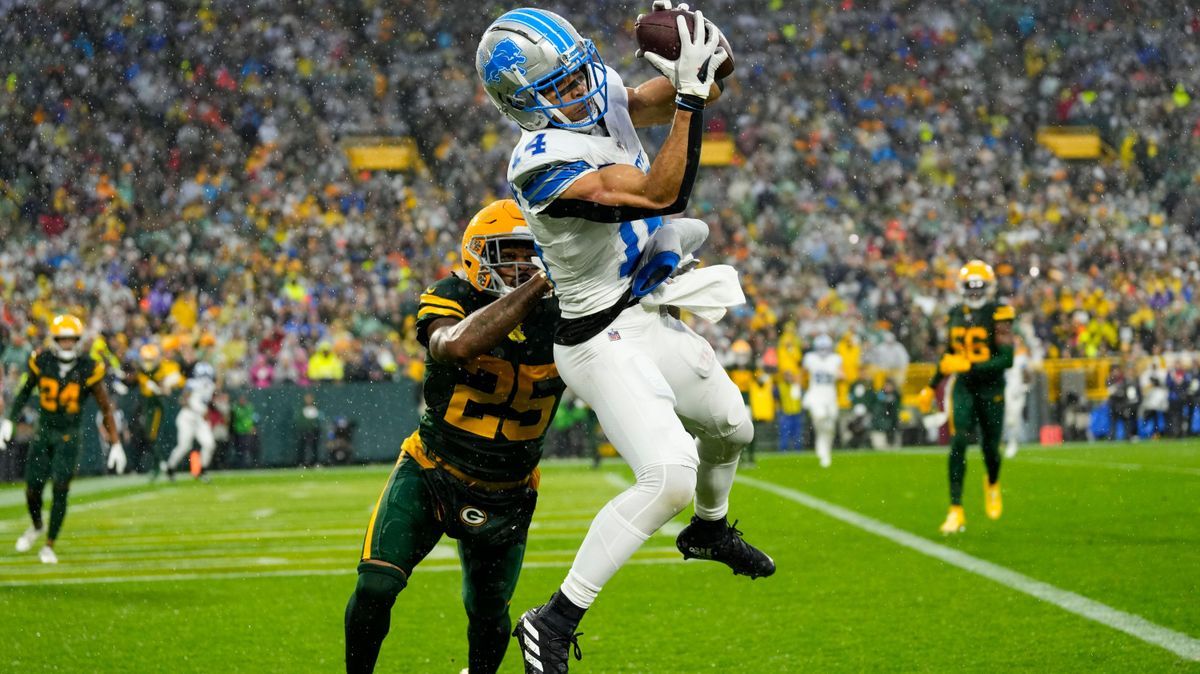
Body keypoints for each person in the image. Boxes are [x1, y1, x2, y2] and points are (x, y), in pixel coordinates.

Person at [477, 7, 772, 672]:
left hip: (644, 307)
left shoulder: (590, 87)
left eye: (582, 74)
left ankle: (710, 530)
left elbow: (664, 94)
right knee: (668, 474)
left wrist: (701, 59)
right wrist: (692, 98)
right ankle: (551, 621)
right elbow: (663, 192)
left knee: (732, 427)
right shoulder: (540, 163)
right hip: (596, 337)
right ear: (522, 105)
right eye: (561, 88)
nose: (583, 91)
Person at [344, 200, 562, 674]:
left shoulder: (565, 311)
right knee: (376, 585)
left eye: (532, 253)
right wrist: (542, 283)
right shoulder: (450, 295)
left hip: (509, 487)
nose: (524, 265)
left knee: (488, 614)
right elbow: (455, 345)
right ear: (477, 256)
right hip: (432, 470)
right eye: (510, 254)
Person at [0, 315, 126, 564]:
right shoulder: (41, 360)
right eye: (63, 339)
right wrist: (9, 420)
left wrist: (116, 442)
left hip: (69, 435)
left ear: (78, 341)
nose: (67, 344)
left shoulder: (88, 367)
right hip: (44, 431)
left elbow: (105, 406)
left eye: (71, 340)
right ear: (55, 340)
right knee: (32, 488)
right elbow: (25, 391)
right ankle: (36, 526)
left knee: (60, 488)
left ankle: (49, 545)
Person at [917, 261, 1015, 535]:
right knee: (958, 440)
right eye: (969, 287)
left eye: (979, 287)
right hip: (964, 388)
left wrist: (969, 366)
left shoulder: (999, 314)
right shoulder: (954, 314)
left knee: (990, 449)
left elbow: (1007, 359)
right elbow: (949, 356)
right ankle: (955, 509)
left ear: (989, 287)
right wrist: (930, 386)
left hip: (992, 388)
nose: (974, 293)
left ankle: (992, 482)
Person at [132, 343, 182, 478]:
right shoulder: (143, 372)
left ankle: (159, 465)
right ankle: (159, 464)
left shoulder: (162, 368)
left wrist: (165, 385)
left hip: (155, 405)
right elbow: (150, 385)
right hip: (145, 404)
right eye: (146, 360)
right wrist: (161, 387)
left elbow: (176, 378)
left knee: (152, 436)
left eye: (150, 359)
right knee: (148, 436)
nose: (148, 363)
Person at [164, 362, 217, 481]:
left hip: (200, 419)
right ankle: (170, 468)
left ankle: (202, 471)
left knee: (209, 444)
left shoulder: (211, 386)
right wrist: (194, 406)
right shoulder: (192, 384)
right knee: (184, 446)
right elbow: (182, 400)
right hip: (187, 417)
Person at [803, 334, 843, 467]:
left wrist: (840, 375)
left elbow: (843, 375)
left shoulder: (835, 359)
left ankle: (825, 451)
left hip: (830, 396)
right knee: (820, 418)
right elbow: (802, 374)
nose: (824, 351)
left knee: (830, 428)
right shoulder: (810, 358)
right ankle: (821, 449)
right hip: (816, 395)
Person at [1003, 336, 1031, 458]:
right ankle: (1010, 441)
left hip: (1018, 389)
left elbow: (1027, 373)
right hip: (1008, 389)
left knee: (1016, 415)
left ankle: (1013, 441)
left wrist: (1025, 385)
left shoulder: (1022, 356)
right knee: (1009, 418)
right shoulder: (1005, 355)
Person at [230, 394, 261, 469]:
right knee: (241, 449)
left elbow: (255, 417)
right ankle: (243, 465)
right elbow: (240, 416)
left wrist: (253, 427)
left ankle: (252, 465)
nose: (242, 401)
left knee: (252, 449)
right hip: (240, 431)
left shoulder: (249, 407)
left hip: (248, 431)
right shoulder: (236, 408)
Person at [295, 393, 322, 467]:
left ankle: (315, 462)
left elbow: (320, 418)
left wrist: (314, 426)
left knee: (314, 447)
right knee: (302, 447)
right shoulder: (302, 408)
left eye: (310, 398)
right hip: (304, 431)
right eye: (307, 398)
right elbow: (299, 419)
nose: (308, 400)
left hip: (314, 431)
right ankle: (301, 463)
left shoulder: (316, 408)